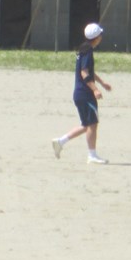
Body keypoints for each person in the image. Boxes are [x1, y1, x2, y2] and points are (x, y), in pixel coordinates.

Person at [52, 23, 112, 164]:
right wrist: (95, 89)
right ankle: (92, 155)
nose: (101, 37)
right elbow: (84, 73)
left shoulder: (83, 49)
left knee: (86, 125)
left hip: (79, 93)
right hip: (85, 94)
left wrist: (102, 83)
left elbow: (89, 71)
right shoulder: (87, 52)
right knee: (92, 124)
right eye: (100, 35)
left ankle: (60, 142)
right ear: (96, 37)